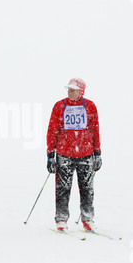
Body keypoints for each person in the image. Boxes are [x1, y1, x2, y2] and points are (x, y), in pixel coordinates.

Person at [46, 78, 102, 232]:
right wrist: (50, 154)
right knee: (63, 188)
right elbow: (52, 130)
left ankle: (87, 218)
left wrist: (97, 153)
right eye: (69, 90)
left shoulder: (90, 106)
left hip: (86, 153)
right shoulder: (59, 106)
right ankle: (62, 219)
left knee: (87, 188)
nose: (70, 92)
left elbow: (94, 130)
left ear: (81, 91)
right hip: (65, 153)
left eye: (74, 90)